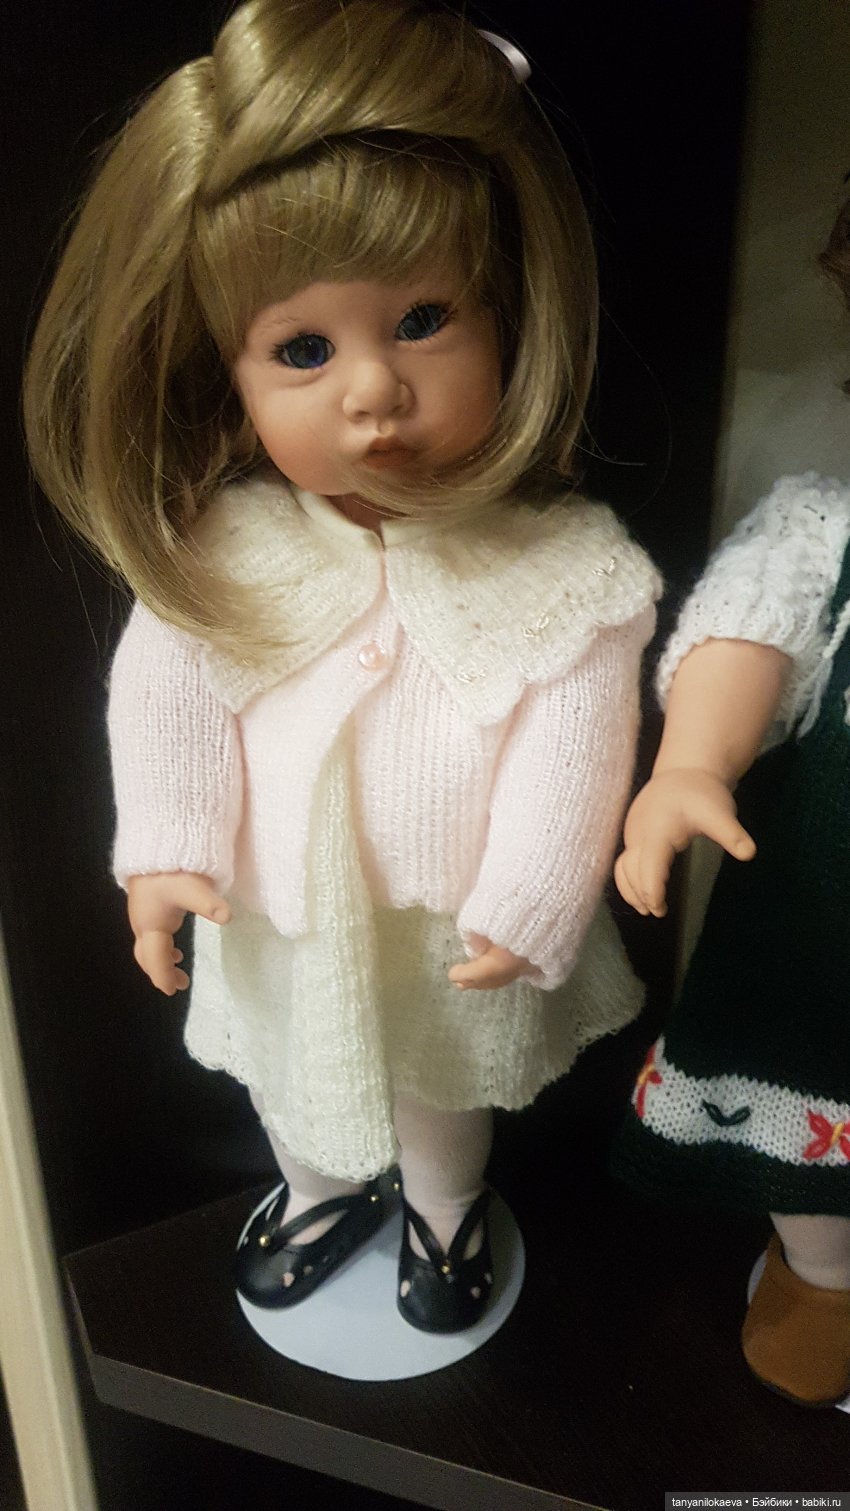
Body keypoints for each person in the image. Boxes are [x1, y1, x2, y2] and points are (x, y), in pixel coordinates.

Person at [24, 0, 658, 1335]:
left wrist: (532, 892)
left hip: (450, 926)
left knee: (442, 1083)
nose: (371, 391)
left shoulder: (564, 568)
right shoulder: (224, 549)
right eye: (303, 350)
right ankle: (314, 1189)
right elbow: (166, 701)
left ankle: (443, 1208)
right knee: (285, 1072)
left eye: (422, 319)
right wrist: (166, 848)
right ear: (232, 373)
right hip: (281, 912)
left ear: (507, 314)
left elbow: (576, 748)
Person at [614, 197, 850, 1403]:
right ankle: (824, 1280)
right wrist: (692, 764)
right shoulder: (827, 527)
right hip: (822, 939)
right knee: (809, 1146)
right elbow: (744, 628)